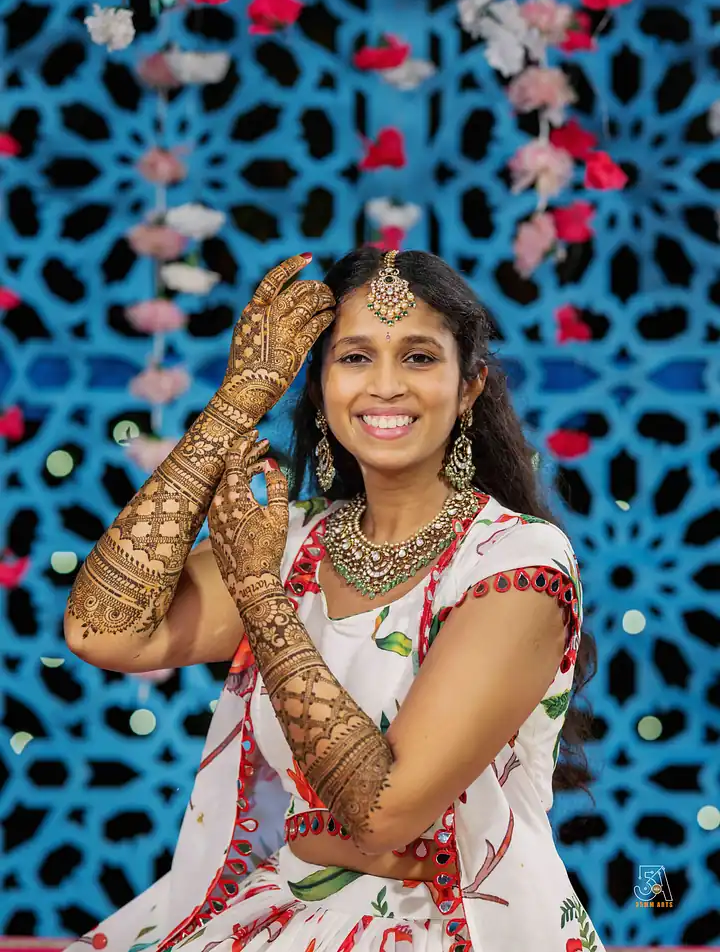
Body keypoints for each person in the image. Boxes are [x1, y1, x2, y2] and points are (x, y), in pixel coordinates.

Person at [63, 247, 601, 952]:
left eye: (418, 358)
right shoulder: (294, 542)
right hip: (288, 909)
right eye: (354, 358)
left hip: (454, 928)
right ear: (318, 387)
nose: (386, 386)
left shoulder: (516, 560)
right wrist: (234, 404)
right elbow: (102, 629)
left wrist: (261, 597)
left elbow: (383, 815)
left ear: (469, 387)